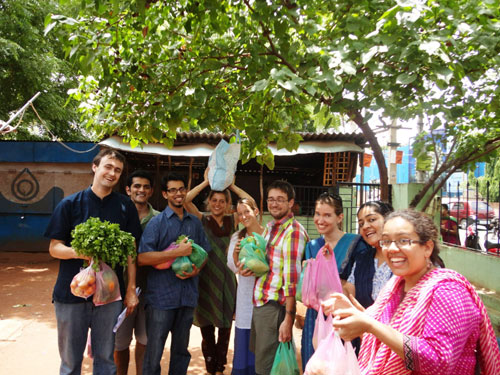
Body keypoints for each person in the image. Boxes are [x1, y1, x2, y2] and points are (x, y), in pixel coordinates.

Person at [323, 209, 500, 375]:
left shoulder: (448, 291)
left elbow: (438, 362)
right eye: (386, 241)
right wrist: (357, 317)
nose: (391, 249)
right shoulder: (394, 288)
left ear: (427, 248)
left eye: (403, 240)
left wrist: (370, 325)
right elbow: (384, 342)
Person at [44, 148, 142, 375]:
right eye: (108, 166)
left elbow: (131, 251)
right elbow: (54, 248)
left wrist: (130, 289)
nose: (112, 173)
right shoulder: (70, 204)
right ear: (95, 167)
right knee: (70, 361)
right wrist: (80, 252)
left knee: (106, 359)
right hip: (72, 293)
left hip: (109, 294)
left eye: (117, 170)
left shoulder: (125, 206)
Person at [137, 172, 211, 375]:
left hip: (187, 297)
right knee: (154, 351)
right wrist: (176, 253)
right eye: (173, 190)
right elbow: (142, 258)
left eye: (181, 189)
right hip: (161, 299)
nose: (178, 194)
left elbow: (204, 253)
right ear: (164, 194)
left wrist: (197, 269)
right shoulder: (157, 223)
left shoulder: (194, 223)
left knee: (181, 351)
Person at [184, 168, 253, 375]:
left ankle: (220, 367)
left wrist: (231, 185)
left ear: (228, 204)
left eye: (222, 201)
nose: (217, 204)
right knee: (207, 328)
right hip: (205, 280)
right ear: (209, 203)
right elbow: (186, 200)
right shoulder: (202, 219)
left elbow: (251, 203)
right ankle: (210, 366)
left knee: (225, 329)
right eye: (214, 200)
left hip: (228, 281)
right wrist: (206, 182)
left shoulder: (234, 220)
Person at [300, 192, 369, 369]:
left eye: (327, 215)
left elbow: (357, 284)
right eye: (317, 214)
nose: (320, 220)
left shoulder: (356, 244)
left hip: (341, 318)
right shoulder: (312, 246)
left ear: (340, 217)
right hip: (315, 317)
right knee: (314, 365)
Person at [248, 180, 308, 375]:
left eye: (280, 200)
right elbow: (266, 265)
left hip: (275, 307)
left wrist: (288, 319)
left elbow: (292, 279)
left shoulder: (294, 231)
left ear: (291, 203)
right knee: (264, 361)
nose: (274, 204)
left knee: (266, 367)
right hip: (261, 302)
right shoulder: (270, 227)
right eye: (271, 199)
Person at [115, 170, 160, 375]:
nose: (141, 190)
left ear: (151, 191)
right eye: (136, 186)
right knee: (120, 343)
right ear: (128, 189)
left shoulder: (160, 219)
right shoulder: (116, 217)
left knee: (145, 340)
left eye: (145, 187)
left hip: (151, 290)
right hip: (118, 289)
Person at [227, 198, 264, 375]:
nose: (243, 216)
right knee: (243, 345)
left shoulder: (268, 236)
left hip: (266, 300)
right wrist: (236, 257)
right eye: (240, 214)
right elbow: (233, 266)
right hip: (245, 300)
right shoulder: (238, 237)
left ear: (256, 211)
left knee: (263, 348)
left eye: (247, 211)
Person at [344, 201, 394, 309]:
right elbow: (349, 291)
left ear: (388, 220)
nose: (365, 226)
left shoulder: (402, 257)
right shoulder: (362, 259)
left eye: (372, 220)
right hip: (363, 325)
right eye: (361, 224)